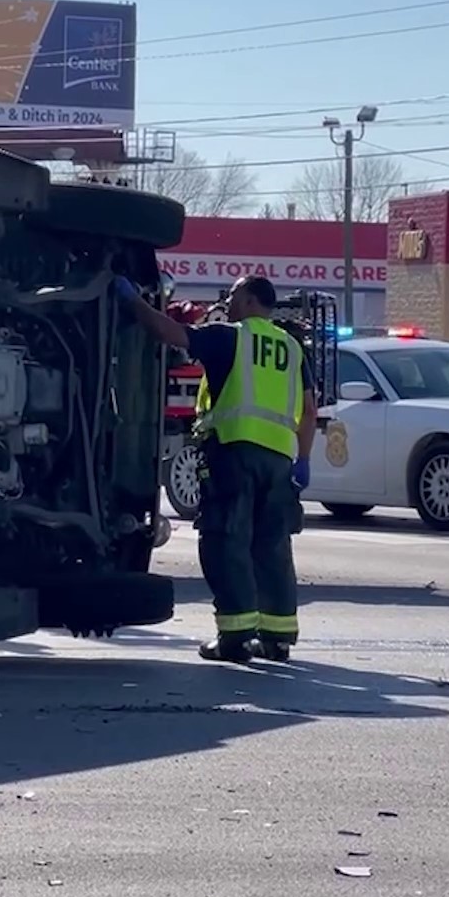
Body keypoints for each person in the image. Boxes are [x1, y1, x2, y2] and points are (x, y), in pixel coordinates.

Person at [118, 273, 317, 664]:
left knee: (226, 541)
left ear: (250, 300)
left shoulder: (231, 337)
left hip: (234, 453)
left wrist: (133, 303)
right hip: (279, 460)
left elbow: (171, 333)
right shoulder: (292, 348)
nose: (228, 301)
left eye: (235, 294)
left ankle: (236, 638)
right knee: (272, 547)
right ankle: (277, 639)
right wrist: (304, 459)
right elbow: (309, 410)